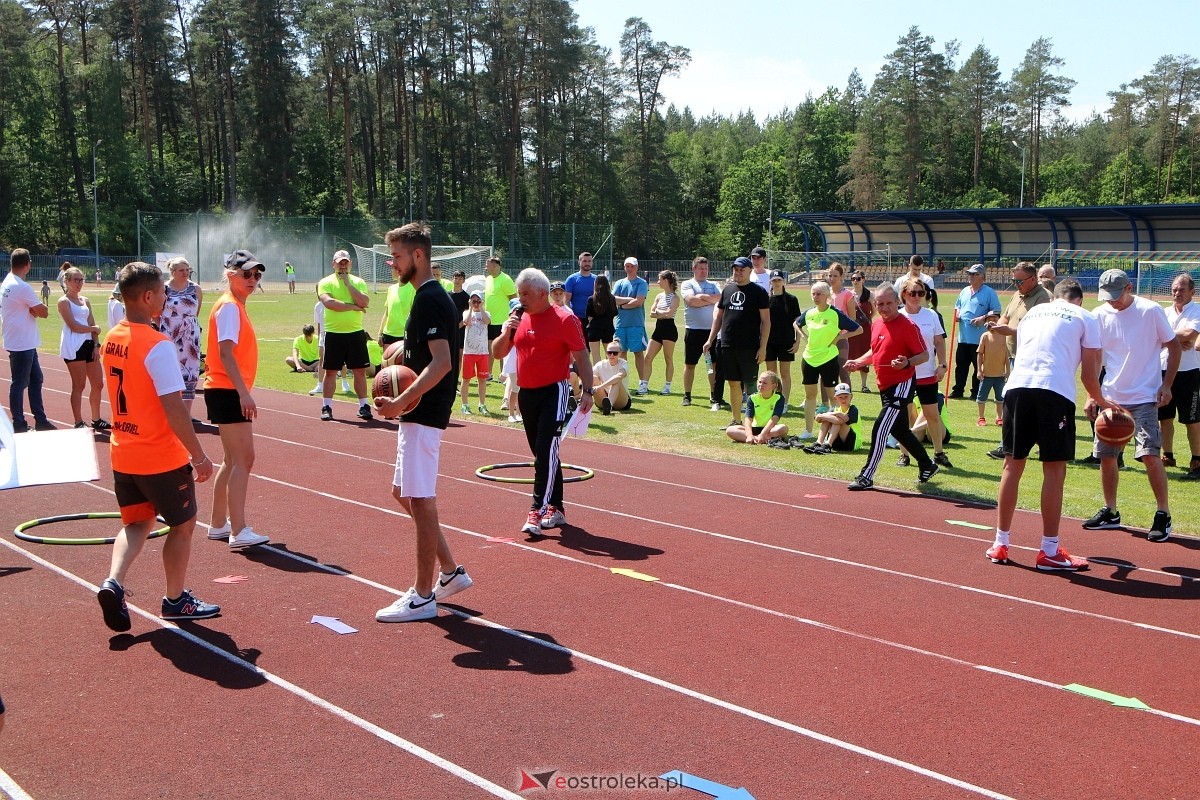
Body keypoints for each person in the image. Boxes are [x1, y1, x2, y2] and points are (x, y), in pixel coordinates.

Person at [95, 261, 218, 631]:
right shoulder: (157, 345)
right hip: (159, 454)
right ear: (148, 297)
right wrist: (198, 455)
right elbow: (174, 408)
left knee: (138, 522)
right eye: (163, 292)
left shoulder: (113, 336)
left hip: (124, 449)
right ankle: (176, 600)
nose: (167, 297)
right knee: (183, 525)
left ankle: (113, 581)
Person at [374, 223, 473, 623]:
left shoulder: (431, 297)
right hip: (419, 412)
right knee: (403, 492)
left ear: (418, 256)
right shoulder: (425, 297)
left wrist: (400, 400)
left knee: (420, 498)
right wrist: (403, 349)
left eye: (397, 256)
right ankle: (450, 573)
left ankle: (422, 595)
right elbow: (429, 353)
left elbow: (443, 362)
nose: (391, 263)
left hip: (424, 413)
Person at [986, 279, 1108, 571]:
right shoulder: (1085, 316)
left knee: (1012, 465)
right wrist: (1104, 401)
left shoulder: (1034, 313)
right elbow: (1089, 376)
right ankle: (1049, 550)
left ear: (1056, 297)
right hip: (1054, 392)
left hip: (1016, 388)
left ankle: (1000, 543)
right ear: (1079, 299)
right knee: (1054, 469)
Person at [491, 268, 595, 535]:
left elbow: (582, 357)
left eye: (525, 293)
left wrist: (587, 391)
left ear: (542, 293)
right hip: (526, 392)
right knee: (544, 454)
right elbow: (498, 353)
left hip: (555, 391)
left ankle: (536, 509)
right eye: (519, 293)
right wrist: (506, 332)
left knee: (546, 450)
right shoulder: (518, 317)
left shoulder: (564, 319)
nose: (520, 298)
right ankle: (557, 508)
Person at [1082, 269, 1180, 542]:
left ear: (1129, 287)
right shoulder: (1100, 315)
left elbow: (1174, 347)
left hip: (1145, 398)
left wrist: (1167, 384)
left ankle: (1163, 513)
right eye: (1107, 296)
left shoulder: (1151, 311)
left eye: (1116, 295)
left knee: (1150, 455)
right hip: (1111, 399)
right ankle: (1110, 511)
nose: (1111, 301)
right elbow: (1097, 356)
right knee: (1106, 456)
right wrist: (1093, 395)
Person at [202, 251, 270, 551]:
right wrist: (243, 392)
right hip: (227, 390)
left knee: (231, 460)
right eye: (247, 274)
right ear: (230, 274)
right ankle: (238, 529)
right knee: (244, 459)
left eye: (257, 274)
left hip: (223, 389)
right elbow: (226, 352)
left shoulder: (233, 306)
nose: (253, 279)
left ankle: (219, 524)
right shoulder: (229, 307)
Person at [844, 284, 939, 490]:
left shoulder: (907, 326)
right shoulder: (877, 324)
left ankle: (866, 476)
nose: (884, 307)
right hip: (885, 386)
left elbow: (923, 355)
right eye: (880, 304)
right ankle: (927, 464)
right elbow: (875, 352)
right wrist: (858, 362)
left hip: (901, 385)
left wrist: (906, 362)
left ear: (898, 302)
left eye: (888, 303)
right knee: (900, 430)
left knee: (880, 428)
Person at [983, 261, 1052, 458]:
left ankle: (1011, 445)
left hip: (1033, 358)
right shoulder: (1017, 294)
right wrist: (996, 325)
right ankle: (1009, 444)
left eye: (1019, 281)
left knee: (1025, 403)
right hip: (1015, 355)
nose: (1016, 284)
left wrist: (1010, 330)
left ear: (1033, 279)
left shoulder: (1044, 299)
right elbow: (1006, 316)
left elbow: (1040, 328)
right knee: (1016, 402)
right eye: (1014, 281)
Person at [704, 257, 770, 427]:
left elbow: (766, 321)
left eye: (741, 269)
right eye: (735, 269)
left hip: (749, 346)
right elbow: (718, 317)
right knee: (733, 383)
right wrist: (710, 339)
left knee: (750, 385)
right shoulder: (727, 290)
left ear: (749, 271)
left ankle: (757, 423)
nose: (738, 272)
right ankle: (736, 420)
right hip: (727, 344)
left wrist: (763, 347)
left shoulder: (759, 292)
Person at [795, 281, 861, 440]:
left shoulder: (835, 313)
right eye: (813, 293)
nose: (815, 297)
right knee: (810, 396)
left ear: (826, 296)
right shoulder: (810, 313)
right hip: (809, 359)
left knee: (834, 398)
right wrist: (803, 335)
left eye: (819, 294)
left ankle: (833, 433)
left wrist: (840, 336)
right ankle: (808, 431)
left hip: (828, 359)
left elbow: (859, 329)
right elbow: (796, 323)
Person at [897, 277, 951, 468]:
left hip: (928, 373)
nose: (917, 296)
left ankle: (939, 453)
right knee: (905, 415)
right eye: (913, 293)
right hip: (904, 374)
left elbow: (939, 341)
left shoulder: (931, 315)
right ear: (904, 294)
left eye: (921, 293)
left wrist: (942, 365)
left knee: (932, 415)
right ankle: (904, 455)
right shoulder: (899, 316)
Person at [1, 248, 54, 433]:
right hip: (22, 342)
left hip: (21, 340)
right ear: (28, 264)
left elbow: (33, 310)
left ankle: (40, 419)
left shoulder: (7, 283)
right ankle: (19, 424)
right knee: (20, 383)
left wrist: (32, 309)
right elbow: (44, 312)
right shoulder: (22, 286)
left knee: (35, 379)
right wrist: (34, 309)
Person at [317, 249, 372, 422]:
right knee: (331, 372)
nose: (342, 265)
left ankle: (363, 405)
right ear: (333, 263)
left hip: (355, 334)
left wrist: (348, 284)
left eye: (345, 262)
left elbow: (364, 302)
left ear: (350, 263)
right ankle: (327, 406)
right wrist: (353, 307)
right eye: (339, 262)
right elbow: (329, 303)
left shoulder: (358, 281)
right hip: (334, 334)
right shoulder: (325, 282)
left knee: (359, 371)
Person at [56, 265, 110, 430]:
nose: (79, 283)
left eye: (81, 279)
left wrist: (96, 344)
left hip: (88, 345)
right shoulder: (63, 302)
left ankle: (96, 418)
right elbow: (73, 326)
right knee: (79, 385)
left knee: (98, 384)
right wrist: (93, 330)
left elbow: (91, 322)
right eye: (76, 280)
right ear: (67, 281)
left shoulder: (85, 300)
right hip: (74, 346)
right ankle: (78, 421)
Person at [1159, 273, 1200, 480]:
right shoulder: (1164, 311)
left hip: (1188, 373)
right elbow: (1155, 335)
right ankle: (1168, 455)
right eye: (1174, 289)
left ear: (1192, 292)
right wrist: (1176, 338)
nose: (1177, 293)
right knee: (1164, 417)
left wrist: (1166, 337)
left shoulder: (1197, 310)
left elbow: (1191, 335)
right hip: (1163, 370)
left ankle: (1197, 460)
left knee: (1191, 419)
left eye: (1182, 290)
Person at [160, 256, 204, 418]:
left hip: (190, 336)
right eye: (181, 270)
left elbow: (195, 312)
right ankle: (169, 412)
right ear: (172, 272)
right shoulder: (164, 288)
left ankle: (186, 414)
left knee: (191, 372)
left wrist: (188, 327)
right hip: (169, 333)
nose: (185, 273)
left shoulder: (195, 289)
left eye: (187, 270)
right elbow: (157, 312)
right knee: (169, 371)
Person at [950, 264, 1001, 399]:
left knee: (978, 366)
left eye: (975, 274)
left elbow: (996, 311)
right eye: (970, 274)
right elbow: (958, 306)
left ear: (982, 277)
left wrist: (983, 318)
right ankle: (958, 390)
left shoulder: (989, 292)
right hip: (963, 337)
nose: (971, 276)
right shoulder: (964, 291)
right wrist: (958, 313)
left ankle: (975, 392)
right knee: (961, 366)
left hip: (979, 338)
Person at [680, 256, 720, 407]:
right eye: (700, 268)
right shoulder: (687, 284)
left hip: (712, 332)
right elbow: (691, 301)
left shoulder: (714, 284)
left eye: (705, 268)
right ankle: (687, 396)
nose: (704, 271)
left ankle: (714, 396)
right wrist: (710, 300)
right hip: (693, 331)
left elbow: (722, 298)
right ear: (694, 269)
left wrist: (702, 297)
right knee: (690, 364)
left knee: (713, 365)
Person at [764, 269, 800, 408]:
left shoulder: (791, 299)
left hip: (786, 342)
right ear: (770, 282)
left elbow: (798, 323)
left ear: (783, 281)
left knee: (785, 373)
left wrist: (797, 342)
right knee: (771, 374)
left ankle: (784, 402)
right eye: (774, 280)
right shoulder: (766, 300)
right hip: (769, 343)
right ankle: (772, 400)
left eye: (779, 280)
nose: (777, 283)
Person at [612, 256, 650, 394]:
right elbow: (613, 299)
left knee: (638, 353)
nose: (629, 268)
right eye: (627, 266)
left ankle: (643, 383)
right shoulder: (620, 283)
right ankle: (622, 381)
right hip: (621, 324)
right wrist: (628, 301)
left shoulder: (641, 283)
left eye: (632, 266)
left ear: (637, 267)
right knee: (621, 353)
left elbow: (639, 302)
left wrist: (622, 306)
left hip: (636, 324)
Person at [725, 370, 788, 445]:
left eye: (765, 383)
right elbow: (748, 418)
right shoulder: (752, 398)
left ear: (774, 386)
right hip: (754, 429)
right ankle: (758, 438)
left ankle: (759, 438)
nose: (761, 385)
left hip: (769, 429)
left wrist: (763, 434)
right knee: (730, 430)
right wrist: (749, 435)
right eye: (760, 382)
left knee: (783, 428)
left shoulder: (779, 398)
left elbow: (774, 419)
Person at [644, 270, 679, 395]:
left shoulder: (675, 297)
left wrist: (659, 312)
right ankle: (644, 385)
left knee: (668, 359)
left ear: (666, 281)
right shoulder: (659, 296)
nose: (658, 282)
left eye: (660, 279)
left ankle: (667, 386)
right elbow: (651, 313)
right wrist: (661, 312)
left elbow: (670, 313)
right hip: (658, 329)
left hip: (669, 329)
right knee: (647, 357)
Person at [483, 255, 517, 380]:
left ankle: (504, 375)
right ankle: (488, 374)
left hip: (502, 320)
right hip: (490, 320)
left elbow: (514, 299)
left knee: (503, 347)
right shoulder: (488, 279)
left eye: (488, 265)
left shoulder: (506, 280)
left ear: (495, 266)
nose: (486, 268)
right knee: (490, 347)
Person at [806, 382, 860, 454]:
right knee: (828, 419)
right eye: (840, 397)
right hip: (836, 443)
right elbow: (818, 419)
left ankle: (828, 445)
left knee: (835, 420)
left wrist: (826, 414)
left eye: (846, 397)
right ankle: (818, 443)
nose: (843, 400)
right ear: (835, 398)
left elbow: (841, 420)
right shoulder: (834, 409)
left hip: (852, 443)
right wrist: (825, 416)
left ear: (851, 397)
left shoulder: (853, 409)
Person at [460, 289, 491, 414]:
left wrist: (481, 308)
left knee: (482, 379)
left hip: (482, 352)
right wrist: (470, 307)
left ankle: (482, 404)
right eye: (474, 301)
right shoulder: (466, 312)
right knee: (466, 379)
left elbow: (487, 321)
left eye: (478, 301)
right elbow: (466, 322)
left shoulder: (486, 313)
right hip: (469, 352)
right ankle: (465, 404)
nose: (476, 303)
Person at [846, 271, 874, 392]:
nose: (855, 281)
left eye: (858, 278)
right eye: (853, 279)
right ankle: (847, 384)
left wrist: (868, 319)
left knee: (864, 355)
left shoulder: (869, 295)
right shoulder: (849, 294)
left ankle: (864, 385)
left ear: (863, 279)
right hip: (853, 329)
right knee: (850, 354)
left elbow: (874, 310)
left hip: (865, 329)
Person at [975, 325, 1008, 426]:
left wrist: (1008, 371)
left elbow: (1007, 355)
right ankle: (981, 418)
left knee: (1000, 398)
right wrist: (979, 370)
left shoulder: (1004, 336)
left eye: (994, 319)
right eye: (989, 320)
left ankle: (999, 417)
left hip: (1000, 375)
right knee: (981, 397)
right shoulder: (985, 336)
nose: (991, 323)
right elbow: (980, 354)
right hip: (987, 374)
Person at [584, 274, 617, 365]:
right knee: (610, 354)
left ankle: (597, 376)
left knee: (595, 355)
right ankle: (609, 374)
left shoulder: (591, 299)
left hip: (594, 329)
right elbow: (615, 313)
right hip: (607, 329)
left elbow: (588, 315)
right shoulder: (611, 298)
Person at [593, 343, 632, 414]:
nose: (612, 355)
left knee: (617, 381)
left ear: (620, 354)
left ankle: (609, 405)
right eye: (609, 353)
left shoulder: (623, 364)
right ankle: (581, 402)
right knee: (593, 378)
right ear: (606, 353)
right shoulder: (600, 364)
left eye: (615, 353)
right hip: (603, 397)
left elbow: (619, 376)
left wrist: (601, 386)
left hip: (621, 401)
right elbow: (589, 376)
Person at [563, 251, 597, 324]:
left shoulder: (597, 280)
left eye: (589, 261)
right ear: (579, 262)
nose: (587, 263)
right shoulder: (571, 279)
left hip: (593, 319)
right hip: (576, 318)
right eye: (584, 261)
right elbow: (566, 301)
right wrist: (571, 316)